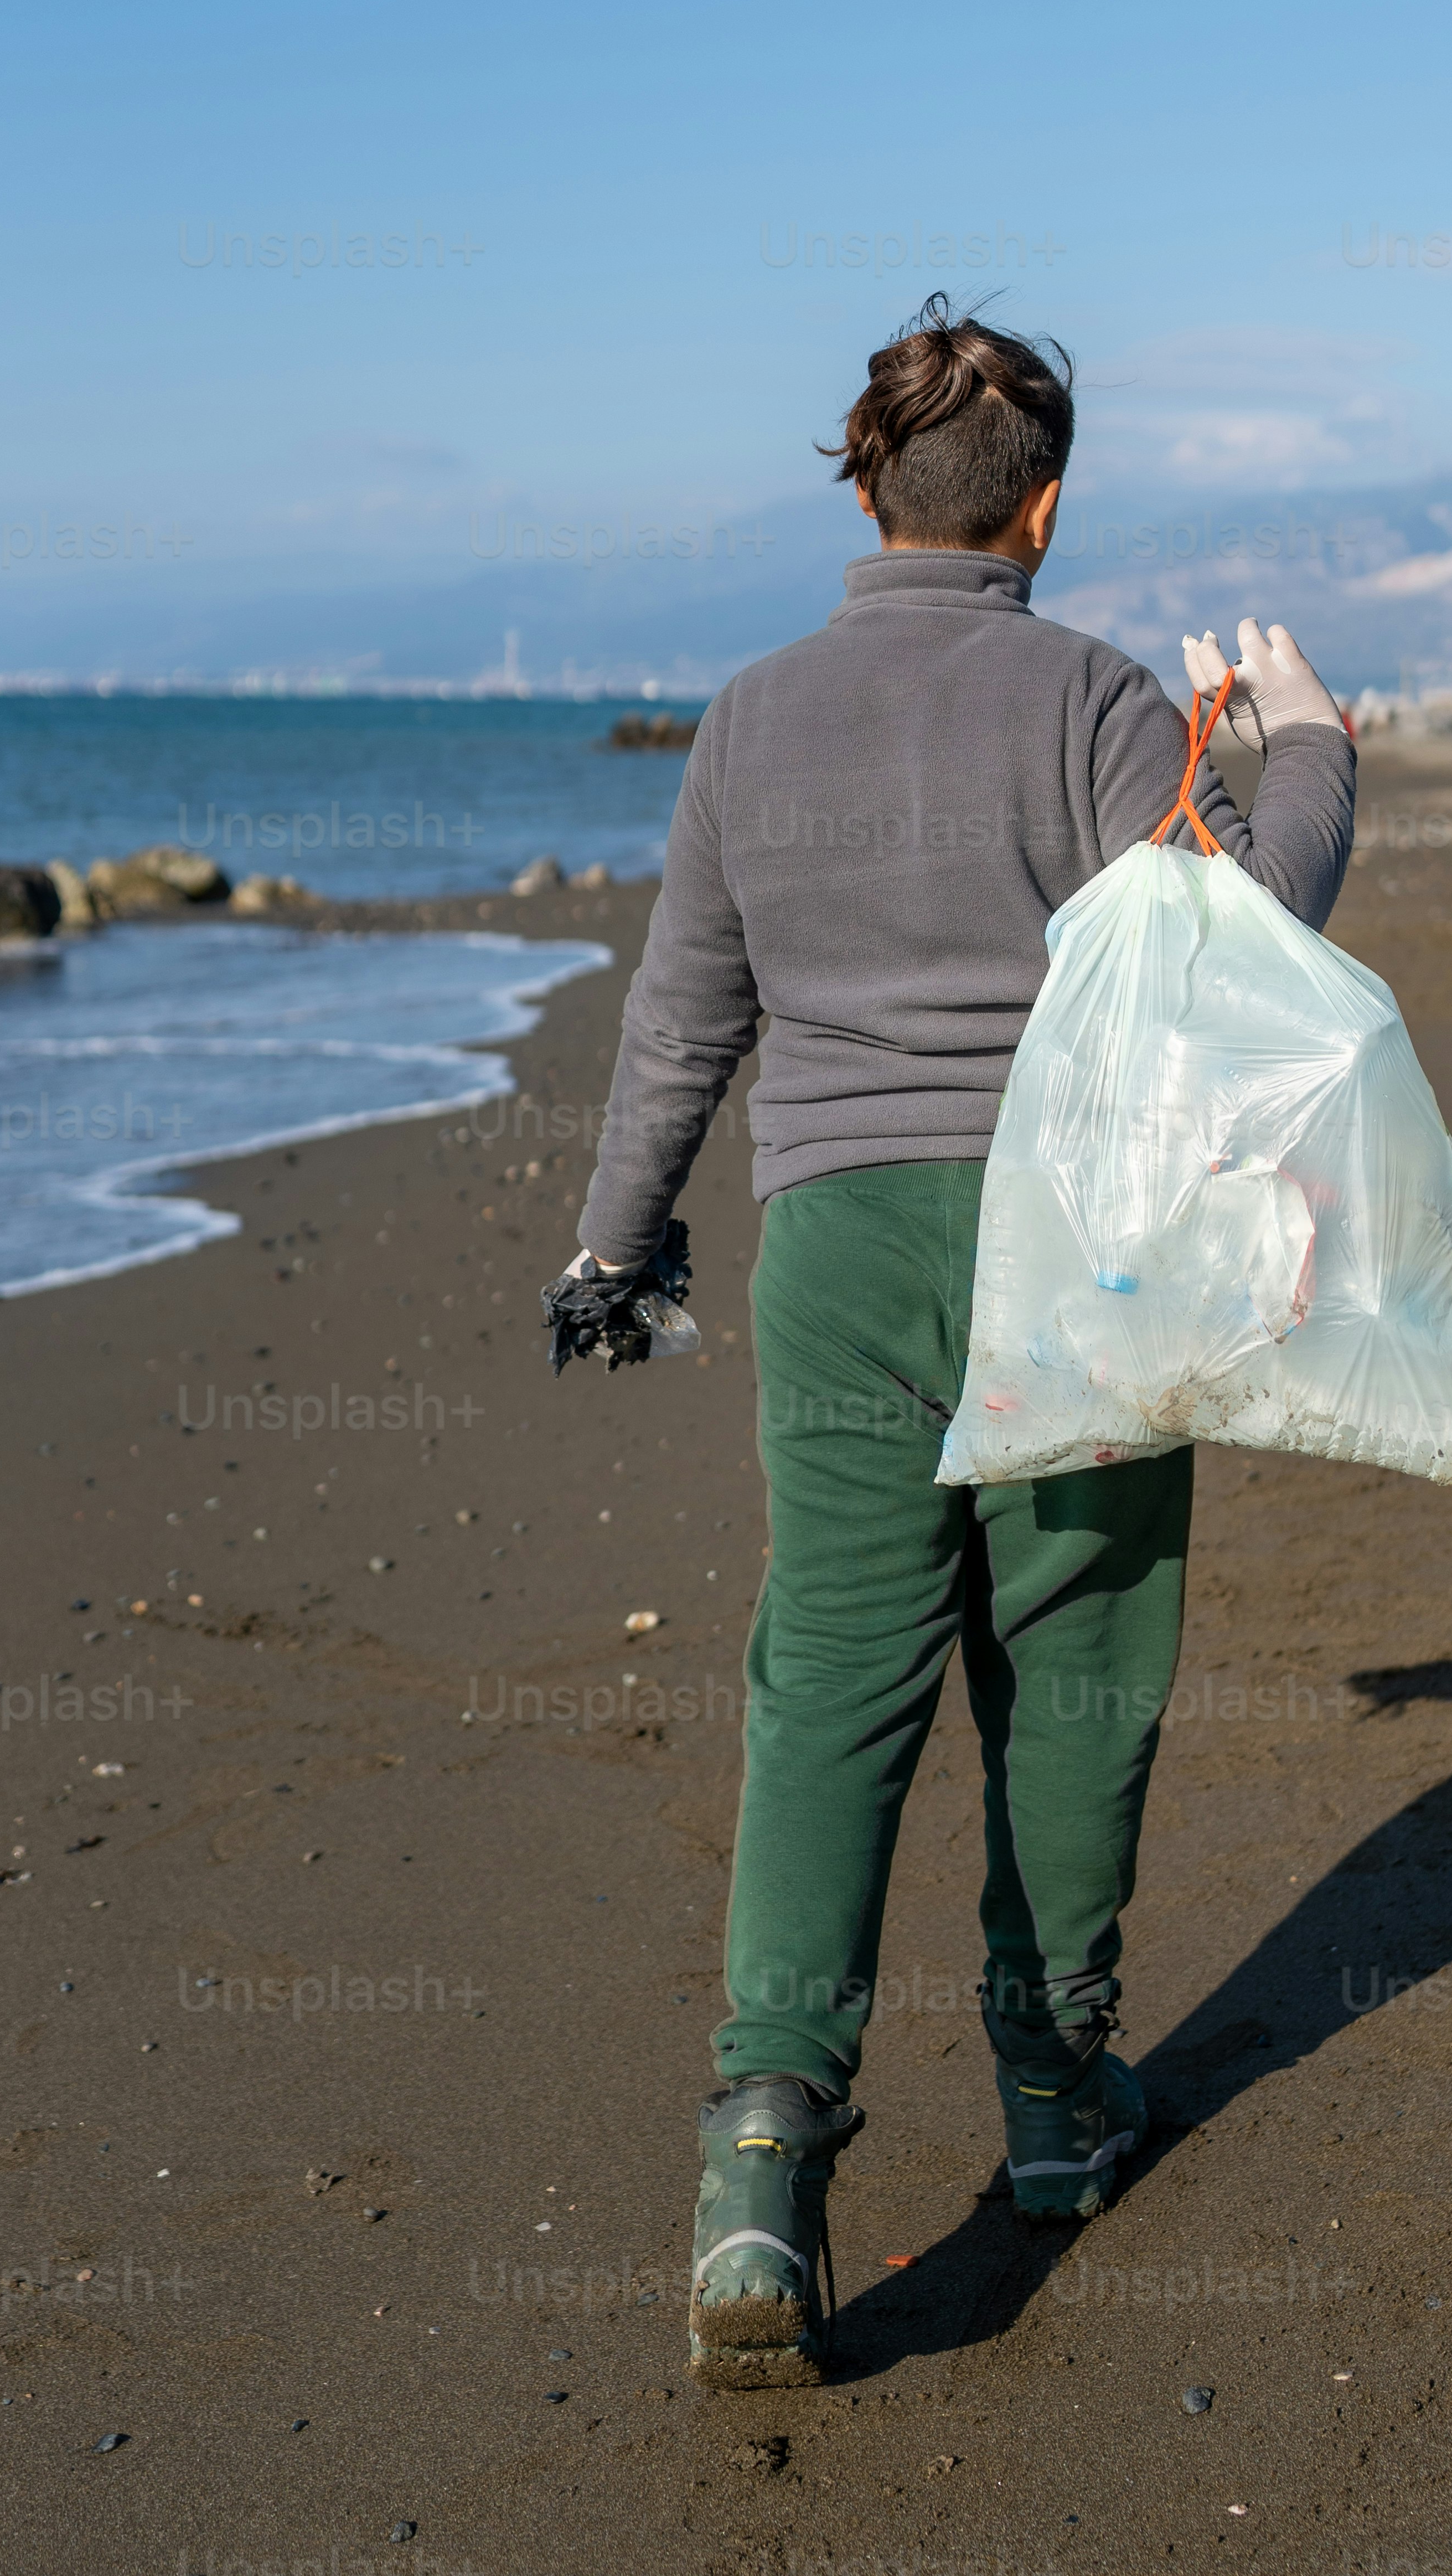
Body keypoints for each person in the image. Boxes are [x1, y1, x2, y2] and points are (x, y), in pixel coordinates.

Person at [559, 300, 1355, 2390]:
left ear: (861, 486)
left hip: (831, 1246)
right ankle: (1055, 2101)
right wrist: (1308, 742)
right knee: (1075, 1670)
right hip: (1064, 1249)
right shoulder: (1093, 699)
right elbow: (1247, 953)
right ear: (1047, 503)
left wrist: (613, 1251)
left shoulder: (745, 719)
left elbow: (682, 1024)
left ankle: (760, 2153)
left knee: (831, 1683)